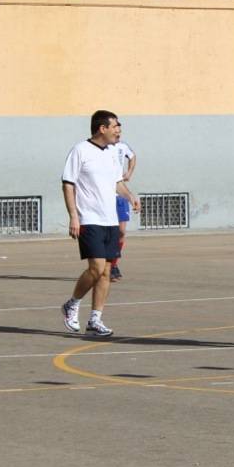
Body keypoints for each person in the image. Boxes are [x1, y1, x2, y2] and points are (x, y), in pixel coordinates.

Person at [60, 110, 140, 337]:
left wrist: (130, 196)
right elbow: (68, 184)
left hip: (110, 220)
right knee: (95, 268)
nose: (118, 131)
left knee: (106, 272)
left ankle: (95, 320)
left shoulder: (112, 152)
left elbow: (117, 183)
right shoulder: (80, 150)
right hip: (89, 218)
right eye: (115, 126)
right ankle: (72, 304)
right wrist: (73, 216)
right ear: (102, 128)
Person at [108, 137, 136, 281]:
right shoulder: (101, 148)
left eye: (119, 129)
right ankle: (106, 266)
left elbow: (133, 156)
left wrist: (129, 172)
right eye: (115, 128)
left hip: (120, 195)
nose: (117, 132)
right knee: (108, 233)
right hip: (106, 196)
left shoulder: (123, 146)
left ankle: (113, 265)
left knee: (121, 231)